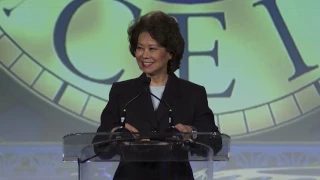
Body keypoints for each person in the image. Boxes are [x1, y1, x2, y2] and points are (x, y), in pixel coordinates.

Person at [94, 10, 220, 180]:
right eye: (140, 48)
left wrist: (192, 132)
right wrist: (116, 133)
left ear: (170, 53)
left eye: (152, 49)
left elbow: (215, 141)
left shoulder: (192, 93)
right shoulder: (122, 91)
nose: (144, 55)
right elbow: (99, 146)